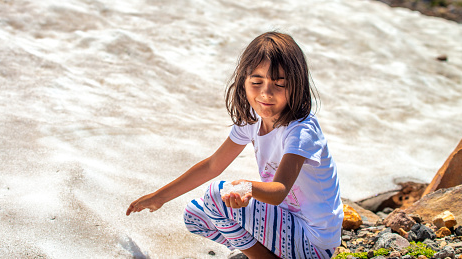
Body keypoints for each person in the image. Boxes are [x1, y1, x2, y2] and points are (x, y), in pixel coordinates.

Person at [126, 32, 343, 259]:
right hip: (285, 226)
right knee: (195, 214)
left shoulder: (301, 130)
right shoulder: (253, 118)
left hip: (314, 243)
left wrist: (245, 188)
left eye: (279, 84)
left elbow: (278, 191)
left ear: (296, 85)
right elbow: (212, 165)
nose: (266, 93)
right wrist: (159, 197)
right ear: (244, 82)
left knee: (216, 194)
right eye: (257, 82)